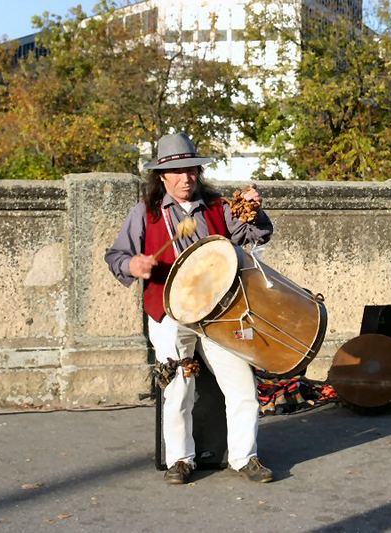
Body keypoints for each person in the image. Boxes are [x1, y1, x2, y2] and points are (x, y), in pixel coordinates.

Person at [105, 132, 274, 485]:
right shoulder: (145, 213)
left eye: (192, 170)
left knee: (242, 384)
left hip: (218, 312)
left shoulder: (216, 208)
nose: (186, 178)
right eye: (178, 172)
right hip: (171, 314)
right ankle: (180, 458)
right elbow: (116, 256)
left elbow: (256, 235)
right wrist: (133, 265)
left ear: (199, 172)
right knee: (179, 387)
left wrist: (254, 209)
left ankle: (245, 457)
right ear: (162, 177)